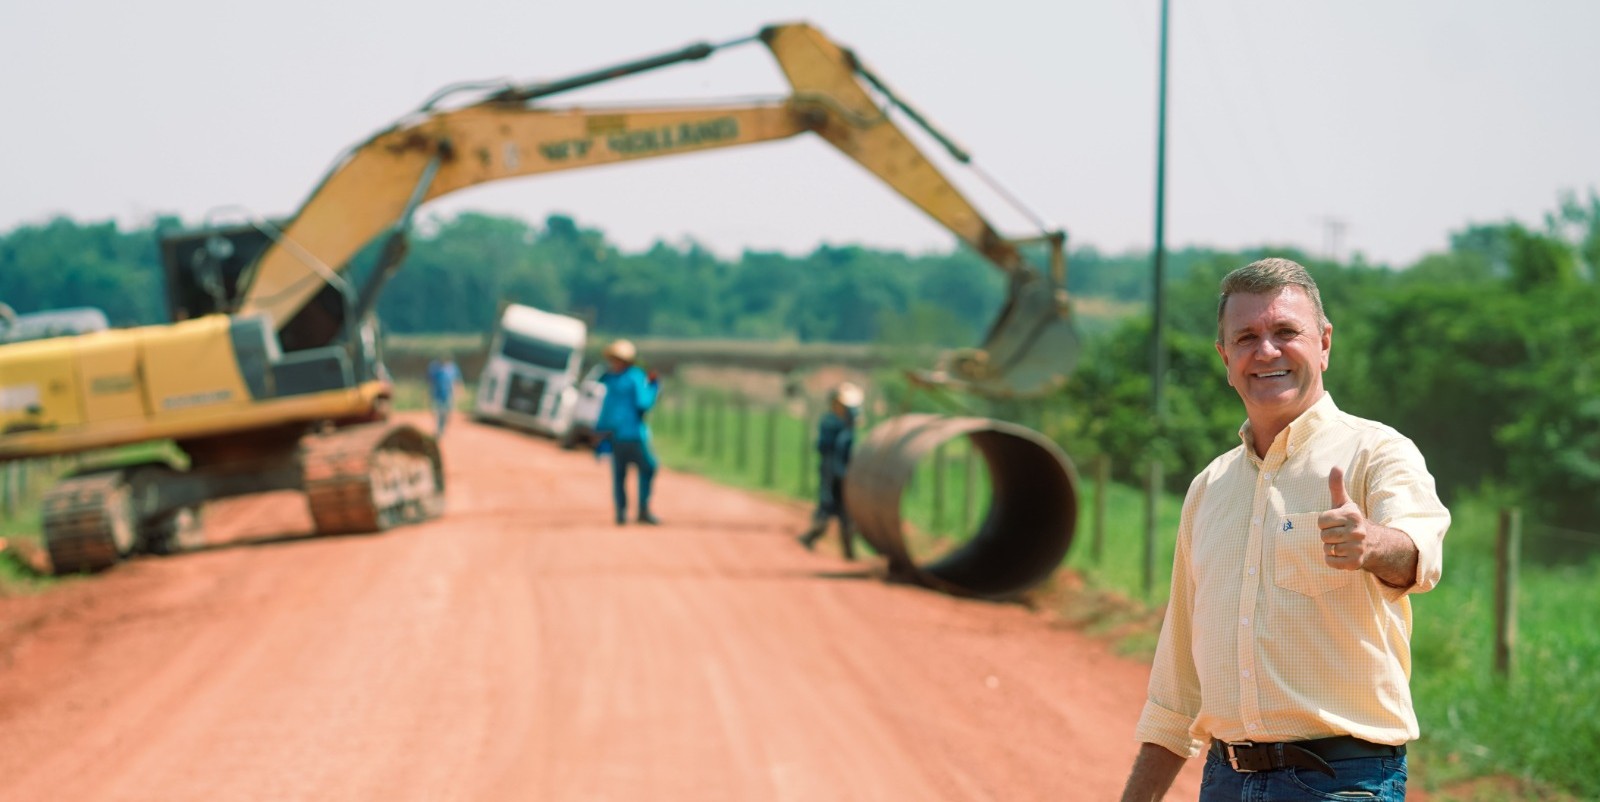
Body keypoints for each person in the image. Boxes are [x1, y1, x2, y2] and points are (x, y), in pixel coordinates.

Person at [1119, 258, 1451, 802]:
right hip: (1224, 781)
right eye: (1246, 337)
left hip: (1341, 783)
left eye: (1285, 332)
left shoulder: (1377, 453)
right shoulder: (1209, 488)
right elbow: (1177, 685)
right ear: (1225, 358)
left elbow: (1418, 552)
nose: (1266, 350)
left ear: (1324, 342)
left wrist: (1371, 544)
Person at [595, 339, 661, 526]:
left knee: (619, 474)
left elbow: (605, 410)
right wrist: (655, 387)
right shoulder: (635, 376)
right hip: (633, 435)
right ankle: (643, 509)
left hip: (615, 435)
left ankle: (621, 513)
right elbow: (644, 403)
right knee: (648, 467)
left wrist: (600, 432)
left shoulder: (609, 379)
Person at [797, 381, 863, 558]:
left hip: (844, 470)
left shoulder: (847, 424)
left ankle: (849, 551)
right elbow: (826, 446)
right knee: (827, 503)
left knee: (846, 509)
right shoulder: (830, 422)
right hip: (830, 467)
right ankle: (811, 536)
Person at [425, 354, 462, 439]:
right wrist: (428, 394)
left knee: (446, 414)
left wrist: (457, 392)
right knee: (437, 413)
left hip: (448, 395)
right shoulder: (434, 369)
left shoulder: (453, 369)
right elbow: (430, 382)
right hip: (437, 395)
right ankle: (438, 429)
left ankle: (442, 429)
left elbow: (456, 381)